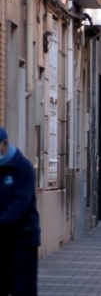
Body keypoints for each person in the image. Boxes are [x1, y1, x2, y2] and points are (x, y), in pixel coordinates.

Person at [0, 127, 41, 296]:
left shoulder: (22, 167)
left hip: (22, 240)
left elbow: (20, 204)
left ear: (5, 144)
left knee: (22, 290)